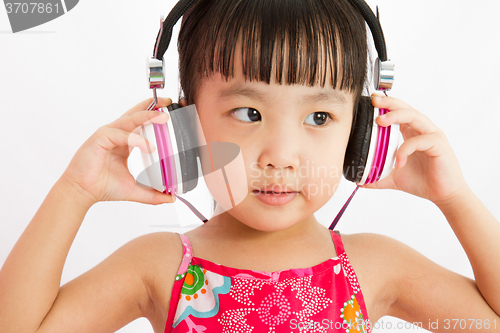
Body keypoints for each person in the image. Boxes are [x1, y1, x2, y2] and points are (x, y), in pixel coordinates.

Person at [1, 0, 499, 332]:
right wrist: (74, 191)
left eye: (320, 116)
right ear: (185, 124)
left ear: (364, 130)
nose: (281, 156)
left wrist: (454, 199)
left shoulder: (374, 267)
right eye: (248, 113)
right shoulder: (158, 267)